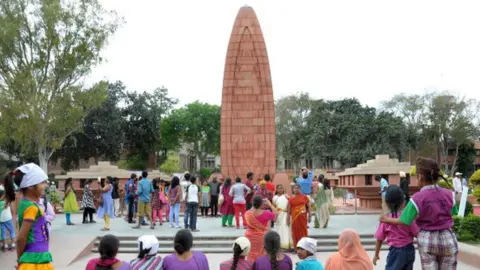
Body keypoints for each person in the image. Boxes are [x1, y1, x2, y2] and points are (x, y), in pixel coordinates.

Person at [380, 157, 459, 269]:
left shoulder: (417, 198)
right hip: (448, 238)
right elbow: (452, 213)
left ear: (420, 176)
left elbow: (404, 220)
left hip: (428, 239)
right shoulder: (449, 194)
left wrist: (386, 219)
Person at [3, 163, 53, 269]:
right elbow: (21, 237)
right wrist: (20, 260)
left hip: (37, 259)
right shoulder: (32, 208)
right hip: (35, 262)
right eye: (42, 182)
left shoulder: (25, 204)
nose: (45, 186)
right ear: (30, 186)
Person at [373, 185, 419, 269]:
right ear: (403, 201)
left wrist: (376, 254)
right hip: (409, 250)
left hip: (395, 252)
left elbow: (379, 238)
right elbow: (416, 233)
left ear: (386, 203)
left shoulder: (385, 219)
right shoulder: (408, 216)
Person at [245, 195, 278, 262]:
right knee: (262, 254)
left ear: (252, 202)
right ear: (261, 204)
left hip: (249, 237)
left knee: (250, 254)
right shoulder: (266, 213)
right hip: (262, 237)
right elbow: (276, 216)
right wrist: (270, 204)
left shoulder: (247, 213)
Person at [287, 184, 311, 248]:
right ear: (293, 190)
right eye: (295, 188)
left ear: (300, 189)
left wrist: (310, 215)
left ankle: (304, 247)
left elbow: (308, 207)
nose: (296, 189)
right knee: (295, 232)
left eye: (298, 188)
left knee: (304, 231)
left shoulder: (305, 197)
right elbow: (288, 209)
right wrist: (288, 218)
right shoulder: (291, 199)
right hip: (295, 219)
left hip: (303, 218)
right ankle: (296, 248)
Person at [272, 184, 292, 251]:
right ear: (276, 190)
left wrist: (287, 212)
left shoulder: (286, 196)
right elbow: (274, 208)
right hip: (278, 215)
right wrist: (274, 216)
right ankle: (280, 245)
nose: (280, 190)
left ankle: (287, 245)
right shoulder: (274, 198)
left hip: (285, 215)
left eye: (281, 188)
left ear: (283, 189)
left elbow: (290, 205)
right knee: (279, 230)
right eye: (279, 188)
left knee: (286, 229)